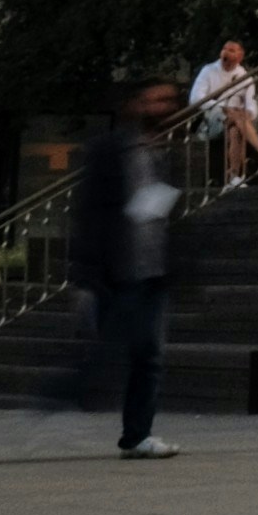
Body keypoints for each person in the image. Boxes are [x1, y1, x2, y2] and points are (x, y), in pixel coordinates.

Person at [68, 71, 182, 457]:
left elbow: (167, 211)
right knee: (111, 352)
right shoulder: (109, 151)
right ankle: (56, 403)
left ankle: (137, 435)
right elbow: (88, 212)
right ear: (133, 105)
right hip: (117, 271)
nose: (162, 108)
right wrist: (86, 272)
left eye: (168, 101)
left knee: (147, 355)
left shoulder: (161, 152)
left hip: (153, 272)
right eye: (154, 100)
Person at [190, 36, 258, 189]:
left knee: (236, 128)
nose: (226, 53)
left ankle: (234, 177)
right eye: (224, 49)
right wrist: (222, 107)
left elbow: (252, 103)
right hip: (213, 118)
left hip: (237, 119)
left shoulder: (244, 76)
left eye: (231, 50)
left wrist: (249, 113)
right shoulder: (209, 71)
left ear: (240, 56)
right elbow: (196, 98)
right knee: (236, 118)